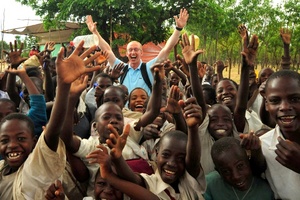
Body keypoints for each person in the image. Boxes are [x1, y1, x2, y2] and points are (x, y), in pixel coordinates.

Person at [0, 40, 101, 199]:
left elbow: (53, 131)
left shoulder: (37, 164)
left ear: (35, 142)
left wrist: (63, 86)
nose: (12, 145)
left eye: (20, 138)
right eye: (4, 140)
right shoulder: (1, 170)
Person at [106, 97, 206, 199]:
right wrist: (118, 158)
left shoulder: (189, 181)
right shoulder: (151, 182)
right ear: (157, 154)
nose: (171, 163)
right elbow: (132, 178)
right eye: (166, 155)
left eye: (180, 158)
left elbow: (194, 160)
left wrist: (193, 128)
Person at [86, 8, 189, 95]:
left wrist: (178, 28)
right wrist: (95, 32)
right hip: (125, 115)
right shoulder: (121, 68)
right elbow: (107, 50)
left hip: (144, 115)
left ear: (141, 53)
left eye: (136, 50)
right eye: (130, 50)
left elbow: (167, 49)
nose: (133, 52)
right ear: (126, 54)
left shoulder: (149, 67)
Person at [260, 69, 300, 199]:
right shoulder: (263, 146)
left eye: (295, 99)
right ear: (266, 105)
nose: (284, 107)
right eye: (275, 101)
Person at [204, 137, 274, 200]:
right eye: (226, 171)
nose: (236, 176)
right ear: (218, 172)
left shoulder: (266, 190)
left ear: (248, 160)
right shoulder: (208, 185)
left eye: (240, 166)